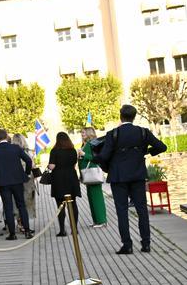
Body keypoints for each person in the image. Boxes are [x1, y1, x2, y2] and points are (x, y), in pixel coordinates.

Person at [96, 104, 167, 253]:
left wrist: (101, 162)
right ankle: (146, 244)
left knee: (122, 211)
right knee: (142, 210)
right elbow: (162, 147)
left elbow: (104, 156)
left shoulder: (113, 134)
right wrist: (145, 152)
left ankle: (127, 245)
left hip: (118, 177)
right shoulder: (143, 132)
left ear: (120, 116)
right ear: (134, 117)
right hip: (138, 175)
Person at [0, 129, 35, 240]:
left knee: (8, 207)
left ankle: (12, 234)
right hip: (17, 180)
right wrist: (27, 173)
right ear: (7, 136)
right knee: (21, 205)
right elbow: (28, 161)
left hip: (3, 183)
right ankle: (27, 231)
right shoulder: (15, 148)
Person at [47, 132, 82, 237]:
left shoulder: (54, 151)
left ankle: (62, 230)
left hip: (59, 179)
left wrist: (48, 166)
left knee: (60, 205)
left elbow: (52, 166)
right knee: (73, 204)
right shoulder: (72, 150)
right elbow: (74, 163)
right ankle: (74, 229)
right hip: (71, 178)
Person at [79, 127, 108, 228]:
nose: (82, 134)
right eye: (81, 132)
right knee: (91, 198)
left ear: (89, 133)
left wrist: (84, 154)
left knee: (97, 198)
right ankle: (96, 220)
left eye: (83, 132)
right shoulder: (85, 144)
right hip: (87, 174)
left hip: (93, 173)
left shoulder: (93, 144)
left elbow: (97, 158)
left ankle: (102, 221)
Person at [12, 133, 37, 227]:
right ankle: (24, 222)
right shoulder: (29, 152)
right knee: (27, 200)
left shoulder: (12, 151)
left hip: (16, 178)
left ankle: (20, 221)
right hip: (28, 178)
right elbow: (33, 165)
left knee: (17, 200)